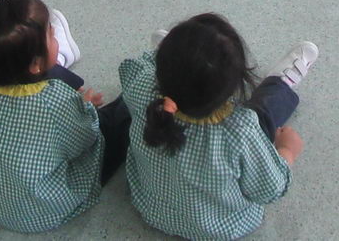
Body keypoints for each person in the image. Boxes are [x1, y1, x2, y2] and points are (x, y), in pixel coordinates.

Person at [120, 13, 318, 240]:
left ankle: (183, 64)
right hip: (220, 227)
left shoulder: (140, 88)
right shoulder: (241, 130)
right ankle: (280, 83)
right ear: (235, 85)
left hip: (151, 208)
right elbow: (269, 189)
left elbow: (129, 68)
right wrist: (287, 151)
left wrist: (176, 62)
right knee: (264, 113)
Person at [0, 0, 131, 232]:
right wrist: (84, 108)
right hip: (39, 211)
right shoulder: (54, 101)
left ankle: (57, 59)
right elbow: (84, 141)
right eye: (51, 34)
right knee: (119, 117)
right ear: (35, 63)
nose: (53, 33)